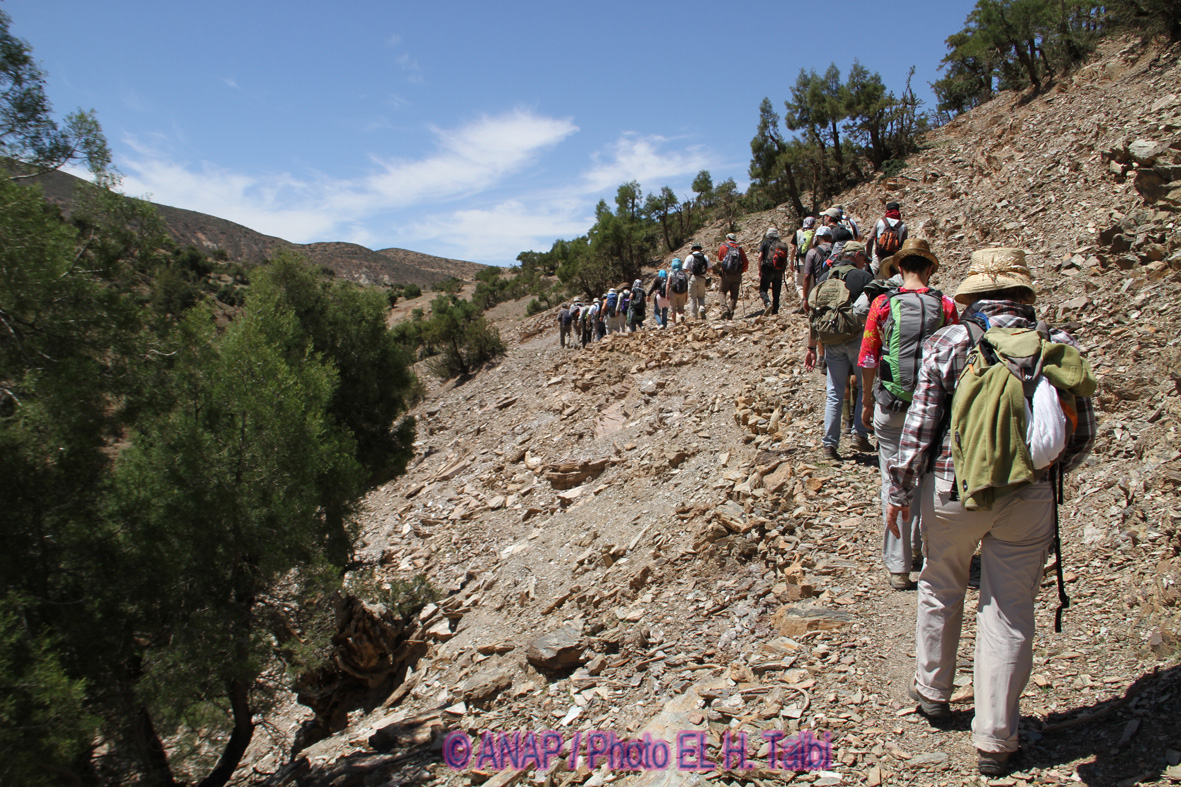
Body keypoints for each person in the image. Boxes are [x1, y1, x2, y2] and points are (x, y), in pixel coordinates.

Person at [886, 248, 1096, 777]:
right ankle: (997, 738)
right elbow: (1083, 436)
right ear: (1025, 297)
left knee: (941, 583)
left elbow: (920, 429)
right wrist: (1044, 472)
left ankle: (934, 692)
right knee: (1008, 610)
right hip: (1028, 495)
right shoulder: (1057, 347)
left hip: (953, 492)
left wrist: (900, 491)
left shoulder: (950, 342)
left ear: (973, 298)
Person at [857, 239, 959, 590]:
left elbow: (868, 356)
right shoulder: (946, 305)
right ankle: (921, 550)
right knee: (927, 479)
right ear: (929, 269)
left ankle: (898, 566)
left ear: (899, 269)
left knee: (893, 477)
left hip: (892, 404)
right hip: (933, 407)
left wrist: (868, 402)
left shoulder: (883, 303)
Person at [804, 241, 874, 459]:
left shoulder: (825, 278)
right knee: (863, 387)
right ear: (858, 256)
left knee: (834, 392)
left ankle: (829, 445)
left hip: (831, 340)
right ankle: (859, 436)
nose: (866, 263)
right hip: (858, 339)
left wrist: (812, 347)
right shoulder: (864, 278)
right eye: (864, 259)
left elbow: (814, 316)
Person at [866, 201, 908, 275]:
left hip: (879, 254)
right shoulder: (903, 226)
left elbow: (870, 239)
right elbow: (904, 245)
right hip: (893, 257)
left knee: (872, 274)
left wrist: (868, 256)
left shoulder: (880, 221)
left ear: (887, 210)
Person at [715, 233, 749, 319]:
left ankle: (724, 308)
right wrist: (741, 271)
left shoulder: (723, 247)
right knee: (734, 295)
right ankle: (731, 313)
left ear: (727, 238)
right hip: (737, 275)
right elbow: (746, 262)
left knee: (722, 291)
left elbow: (720, 258)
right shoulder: (739, 249)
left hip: (726, 274)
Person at [801, 225, 834, 311]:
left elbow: (807, 276)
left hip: (820, 287)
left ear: (818, 237)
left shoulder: (812, 252)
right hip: (836, 287)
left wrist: (805, 298)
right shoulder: (837, 250)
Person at [758, 227, 787, 316]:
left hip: (767, 269)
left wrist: (759, 269)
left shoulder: (765, 243)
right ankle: (775, 312)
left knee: (763, 289)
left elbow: (760, 257)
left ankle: (767, 303)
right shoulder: (781, 244)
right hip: (778, 270)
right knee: (776, 292)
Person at [791, 217, 817, 307]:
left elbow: (793, 249)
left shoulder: (798, 233)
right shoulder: (815, 233)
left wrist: (791, 262)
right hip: (812, 262)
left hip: (800, 262)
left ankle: (803, 299)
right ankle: (810, 304)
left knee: (799, 284)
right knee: (811, 284)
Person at [685, 242, 711, 320]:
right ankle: (702, 308)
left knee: (692, 298)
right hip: (702, 278)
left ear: (693, 249)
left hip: (693, 278)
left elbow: (685, 269)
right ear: (700, 249)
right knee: (701, 296)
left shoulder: (690, 257)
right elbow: (709, 269)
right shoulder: (705, 257)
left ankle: (694, 317)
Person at [667, 258, 689, 325]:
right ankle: (681, 315)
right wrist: (686, 295)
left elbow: (668, 284)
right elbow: (687, 284)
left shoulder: (671, 273)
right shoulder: (684, 273)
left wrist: (666, 294)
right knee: (681, 308)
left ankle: (674, 323)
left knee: (673, 309)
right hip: (683, 292)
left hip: (673, 292)